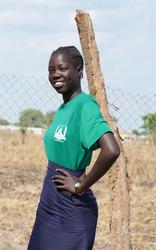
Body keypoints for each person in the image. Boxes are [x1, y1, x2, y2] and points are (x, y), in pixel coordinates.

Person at [27, 46, 120, 250]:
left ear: (79, 70)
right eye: (51, 70)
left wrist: (81, 185)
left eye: (62, 68)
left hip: (71, 209)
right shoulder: (63, 108)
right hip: (50, 204)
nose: (55, 75)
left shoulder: (85, 105)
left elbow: (112, 149)